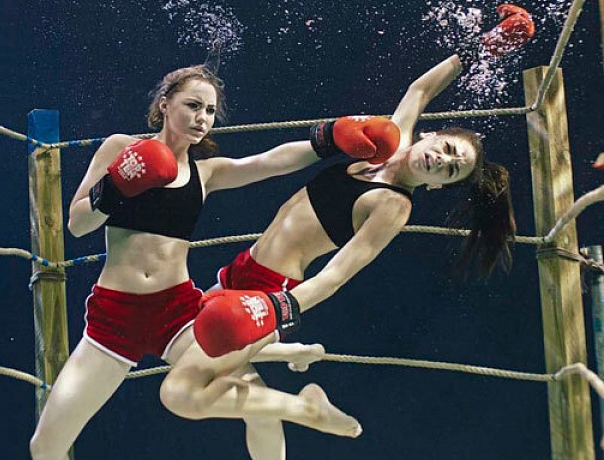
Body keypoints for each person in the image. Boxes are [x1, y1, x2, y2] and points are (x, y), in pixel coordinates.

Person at [161, 1, 531, 431]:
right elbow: (419, 90)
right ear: (431, 134)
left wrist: (277, 309)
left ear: (438, 186)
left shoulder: (394, 206)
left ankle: (309, 407)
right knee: (250, 406)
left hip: (271, 291)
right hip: (242, 267)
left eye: (451, 171)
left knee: (185, 389)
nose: (442, 161)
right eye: (448, 150)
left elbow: (337, 274)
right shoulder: (390, 142)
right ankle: (297, 376)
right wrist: (483, 46)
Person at [29, 58, 400, 459]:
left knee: (258, 405)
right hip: (115, 315)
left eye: (209, 111)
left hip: (178, 312)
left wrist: (329, 138)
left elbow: (270, 162)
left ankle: (306, 407)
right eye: (193, 105)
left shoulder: (206, 173)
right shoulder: (121, 148)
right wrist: (117, 185)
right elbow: (77, 224)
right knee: (46, 446)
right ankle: (293, 359)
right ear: (165, 103)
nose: (202, 118)